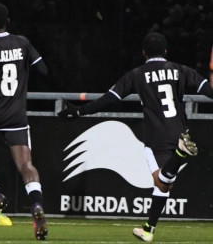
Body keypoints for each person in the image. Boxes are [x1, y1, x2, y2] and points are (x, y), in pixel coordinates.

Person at [58, 32, 213, 242]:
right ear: (165, 51)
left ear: (143, 53)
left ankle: (179, 153)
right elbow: (209, 90)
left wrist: (79, 112)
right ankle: (149, 229)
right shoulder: (180, 70)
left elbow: (108, 100)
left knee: (161, 181)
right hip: (179, 131)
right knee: (165, 184)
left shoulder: (137, 74)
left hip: (156, 134)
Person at [0, 2, 48, 240]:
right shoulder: (22, 42)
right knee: (26, 165)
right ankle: (36, 203)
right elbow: (42, 70)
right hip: (16, 115)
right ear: (8, 21)